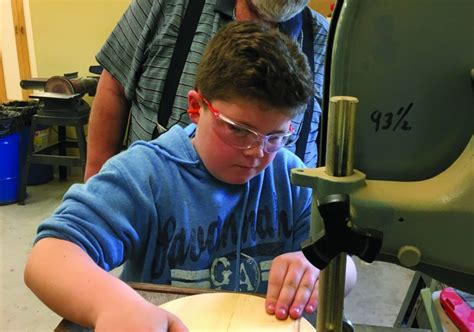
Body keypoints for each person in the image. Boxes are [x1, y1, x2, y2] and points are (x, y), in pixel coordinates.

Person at [25, 21, 356, 331]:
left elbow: (345, 267)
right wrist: (111, 303)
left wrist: (317, 267)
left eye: (275, 136)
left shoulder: (289, 176)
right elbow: (49, 257)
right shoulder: (148, 174)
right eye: (240, 131)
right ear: (197, 107)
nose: (257, 152)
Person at [84, 0, 330, 181]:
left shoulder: (329, 43)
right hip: (156, 212)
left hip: (273, 228)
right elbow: (113, 88)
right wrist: (96, 186)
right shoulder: (170, 5)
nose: (255, 151)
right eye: (237, 129)